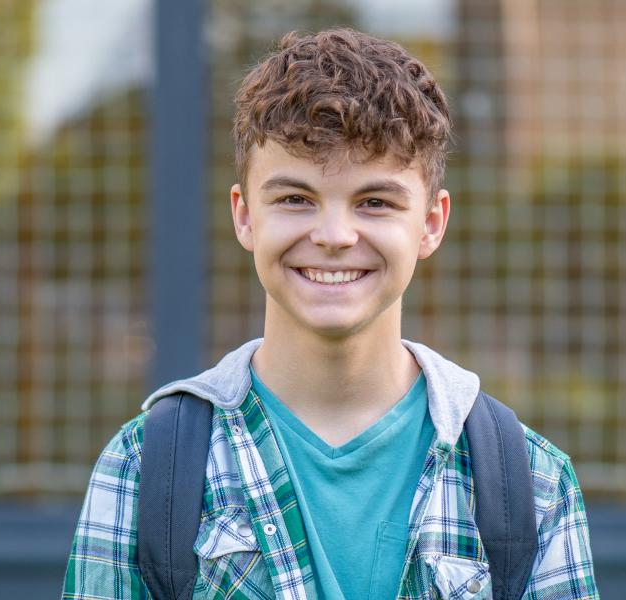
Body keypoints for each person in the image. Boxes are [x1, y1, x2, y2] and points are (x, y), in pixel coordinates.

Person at [63, 27, 598, 600]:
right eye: (296, 199)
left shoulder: (533, 484)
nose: (335, 236)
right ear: (244, 216)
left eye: (375, 202)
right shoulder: (146, 467)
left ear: (431, 223)